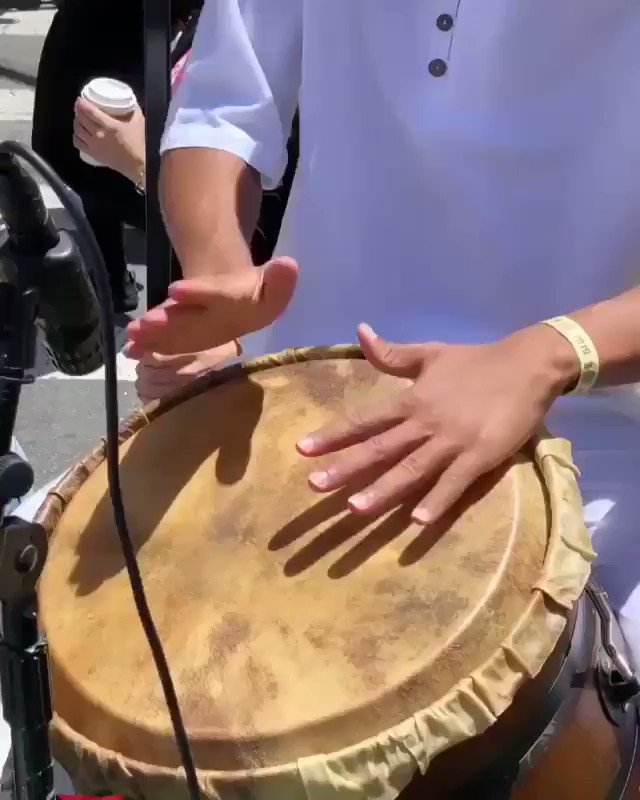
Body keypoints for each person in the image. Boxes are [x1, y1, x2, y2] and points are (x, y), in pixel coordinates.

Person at [126, 3, 640, 670]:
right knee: (101, 648)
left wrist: (547, 354)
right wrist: (220, 275)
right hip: (296, 393)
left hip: (583, 424)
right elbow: (221, 111)